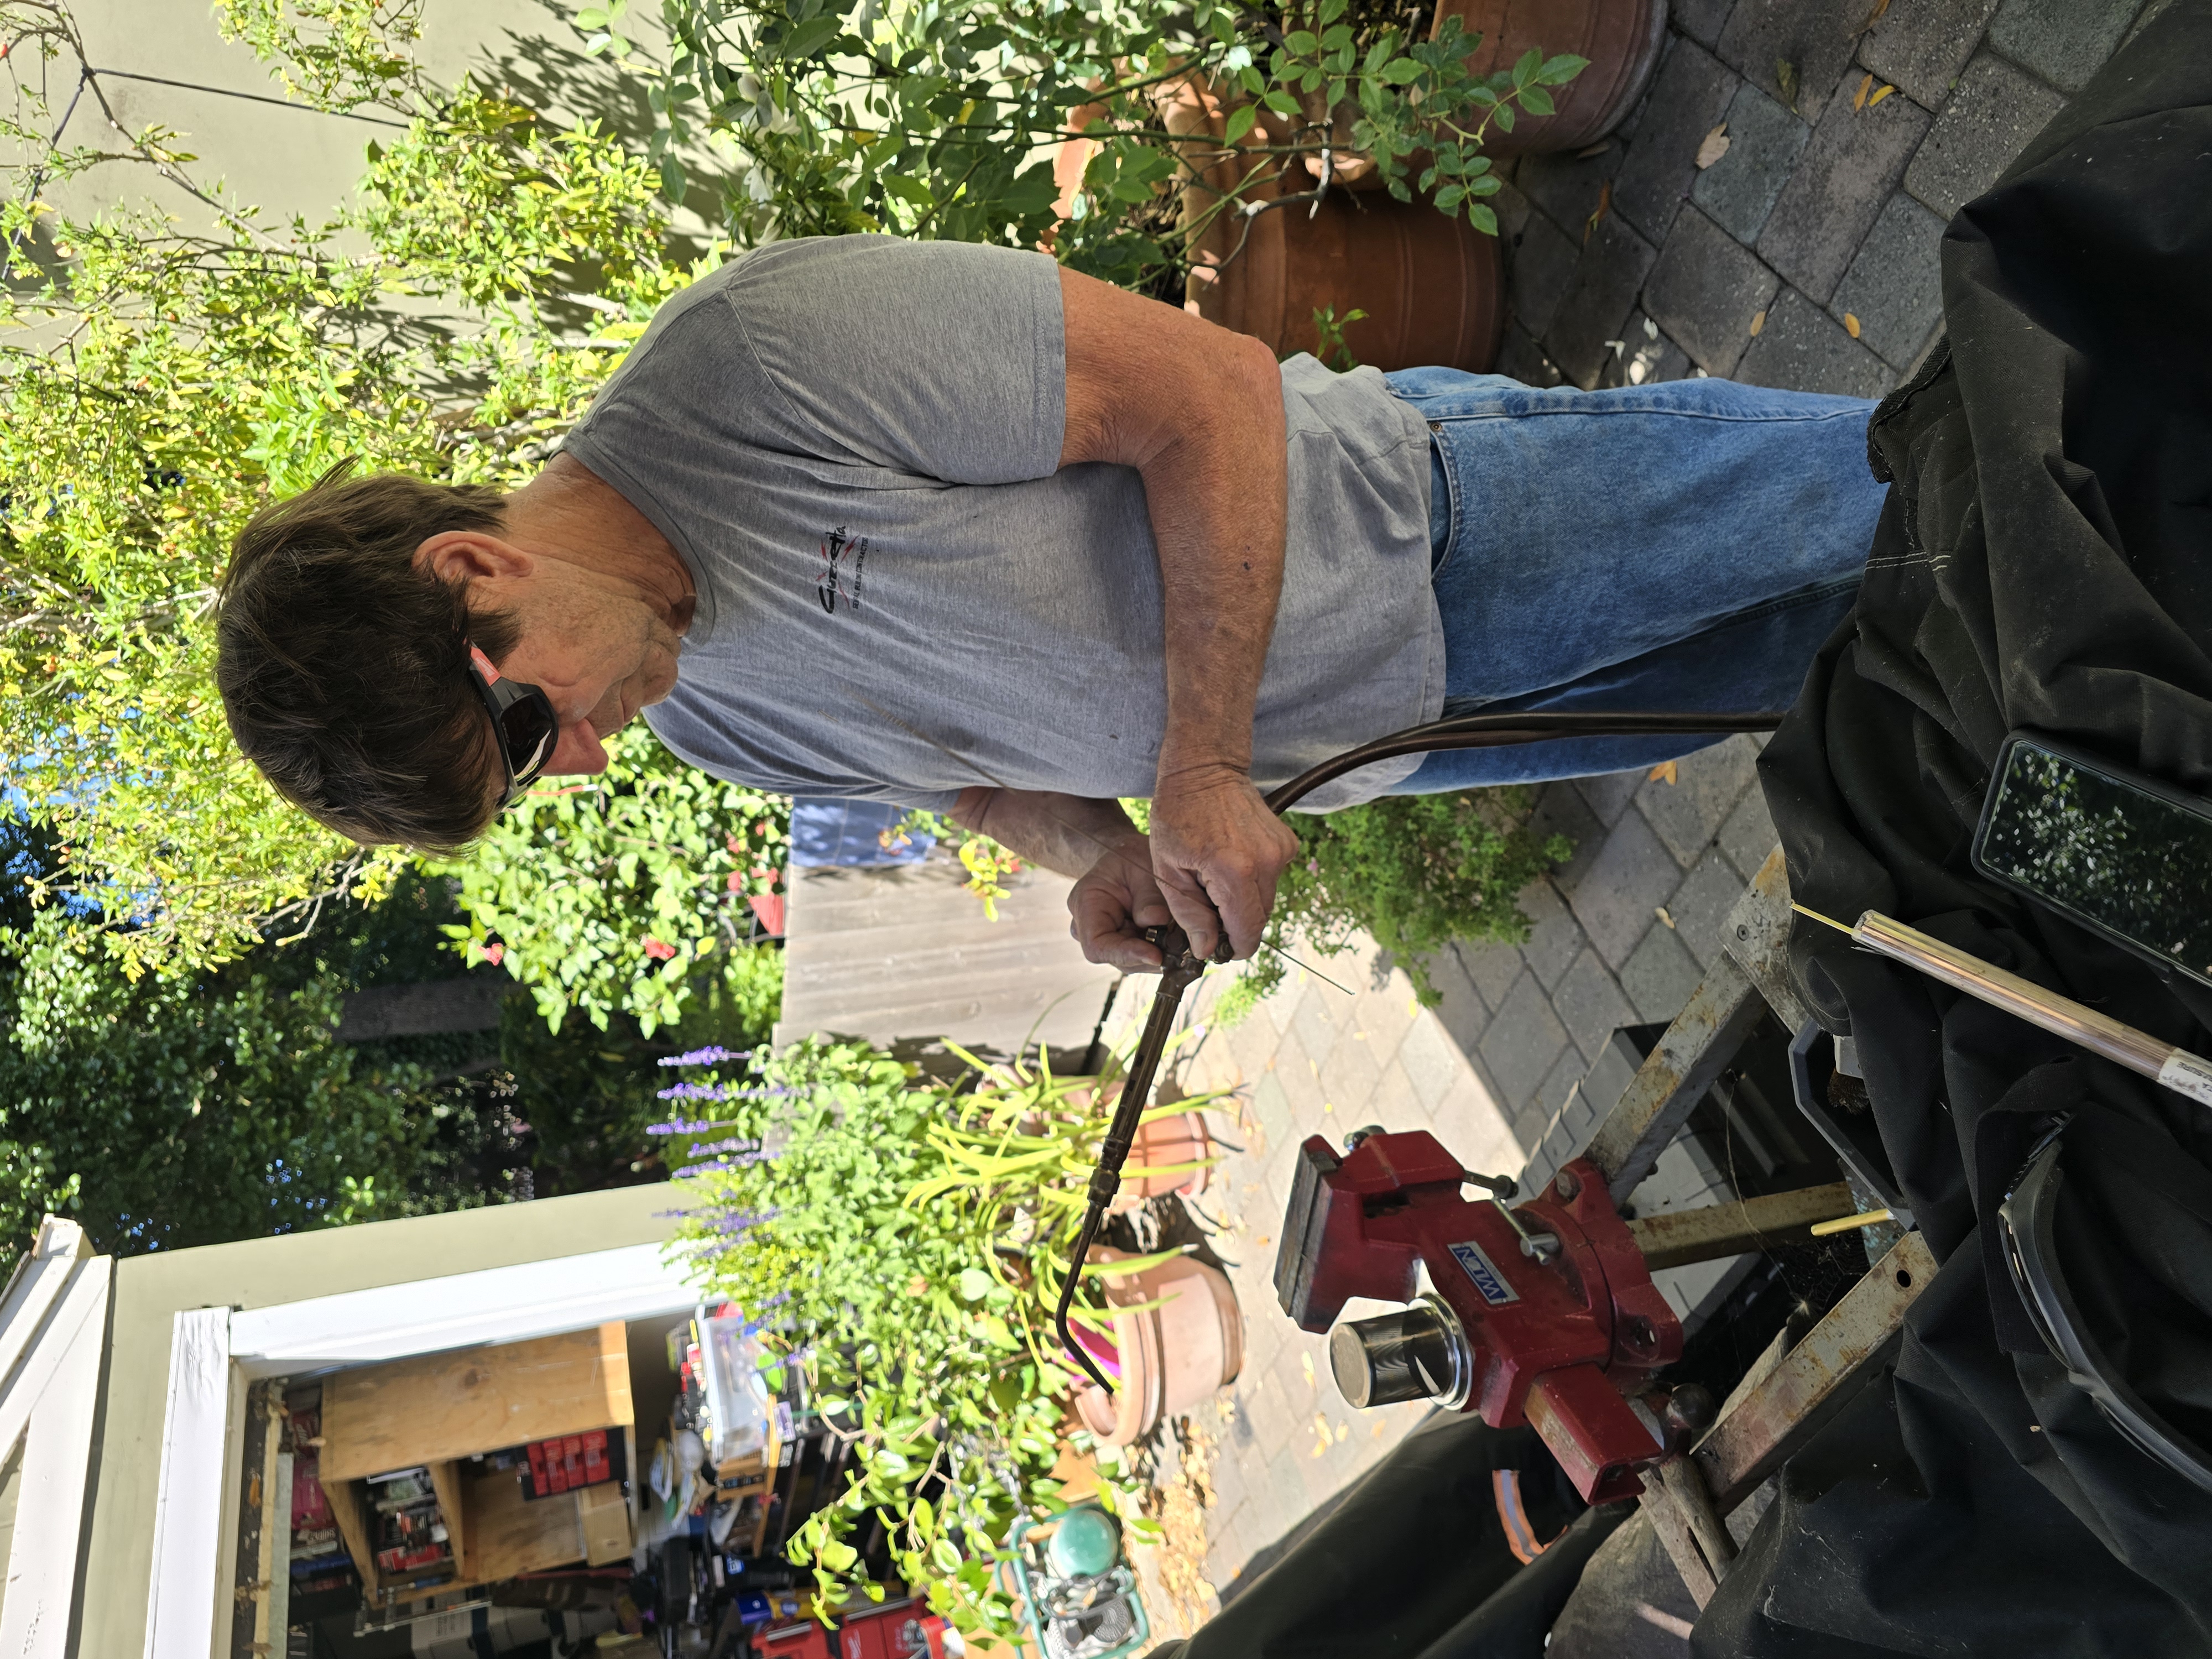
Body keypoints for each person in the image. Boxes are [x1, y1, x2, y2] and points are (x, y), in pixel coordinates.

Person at [216, 235, 1884, 973]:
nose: (575, 759)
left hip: (1454, 529)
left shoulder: (761, 361)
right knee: (1865, 672)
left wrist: (1205, 771)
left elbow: (1212, 397)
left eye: (524, 722)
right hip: (1401, 730)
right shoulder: (698, 709)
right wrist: (1111, 862)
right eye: (529, 780)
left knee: (1962, 483)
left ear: (474, 571)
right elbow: (976, 778)